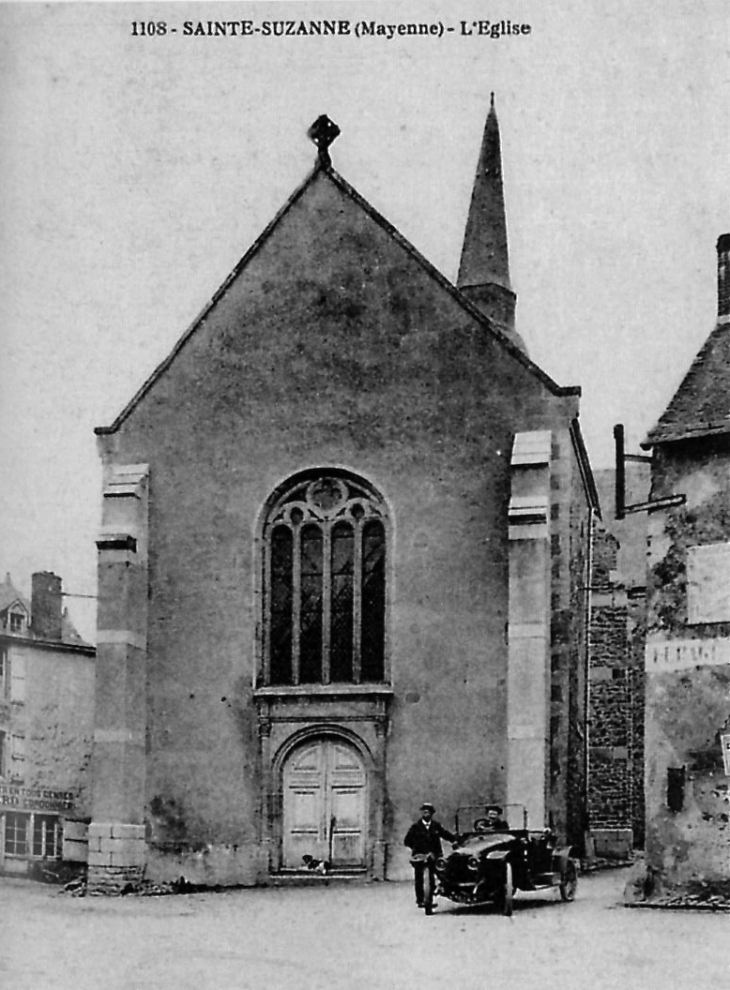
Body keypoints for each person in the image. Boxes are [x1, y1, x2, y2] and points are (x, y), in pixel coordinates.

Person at [404, 803, 458, 908]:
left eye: (428, 811)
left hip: (434, 855)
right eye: (424, 811)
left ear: (432, 814)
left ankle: (429, 899)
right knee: (419, 878)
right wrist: (416, 850)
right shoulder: (415, 827)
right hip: (420, 856)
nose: (426, 813)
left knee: (433, 877)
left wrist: (454, 840)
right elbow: (407, 841)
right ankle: (420, 900)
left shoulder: (436, 826)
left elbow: (445, 834)